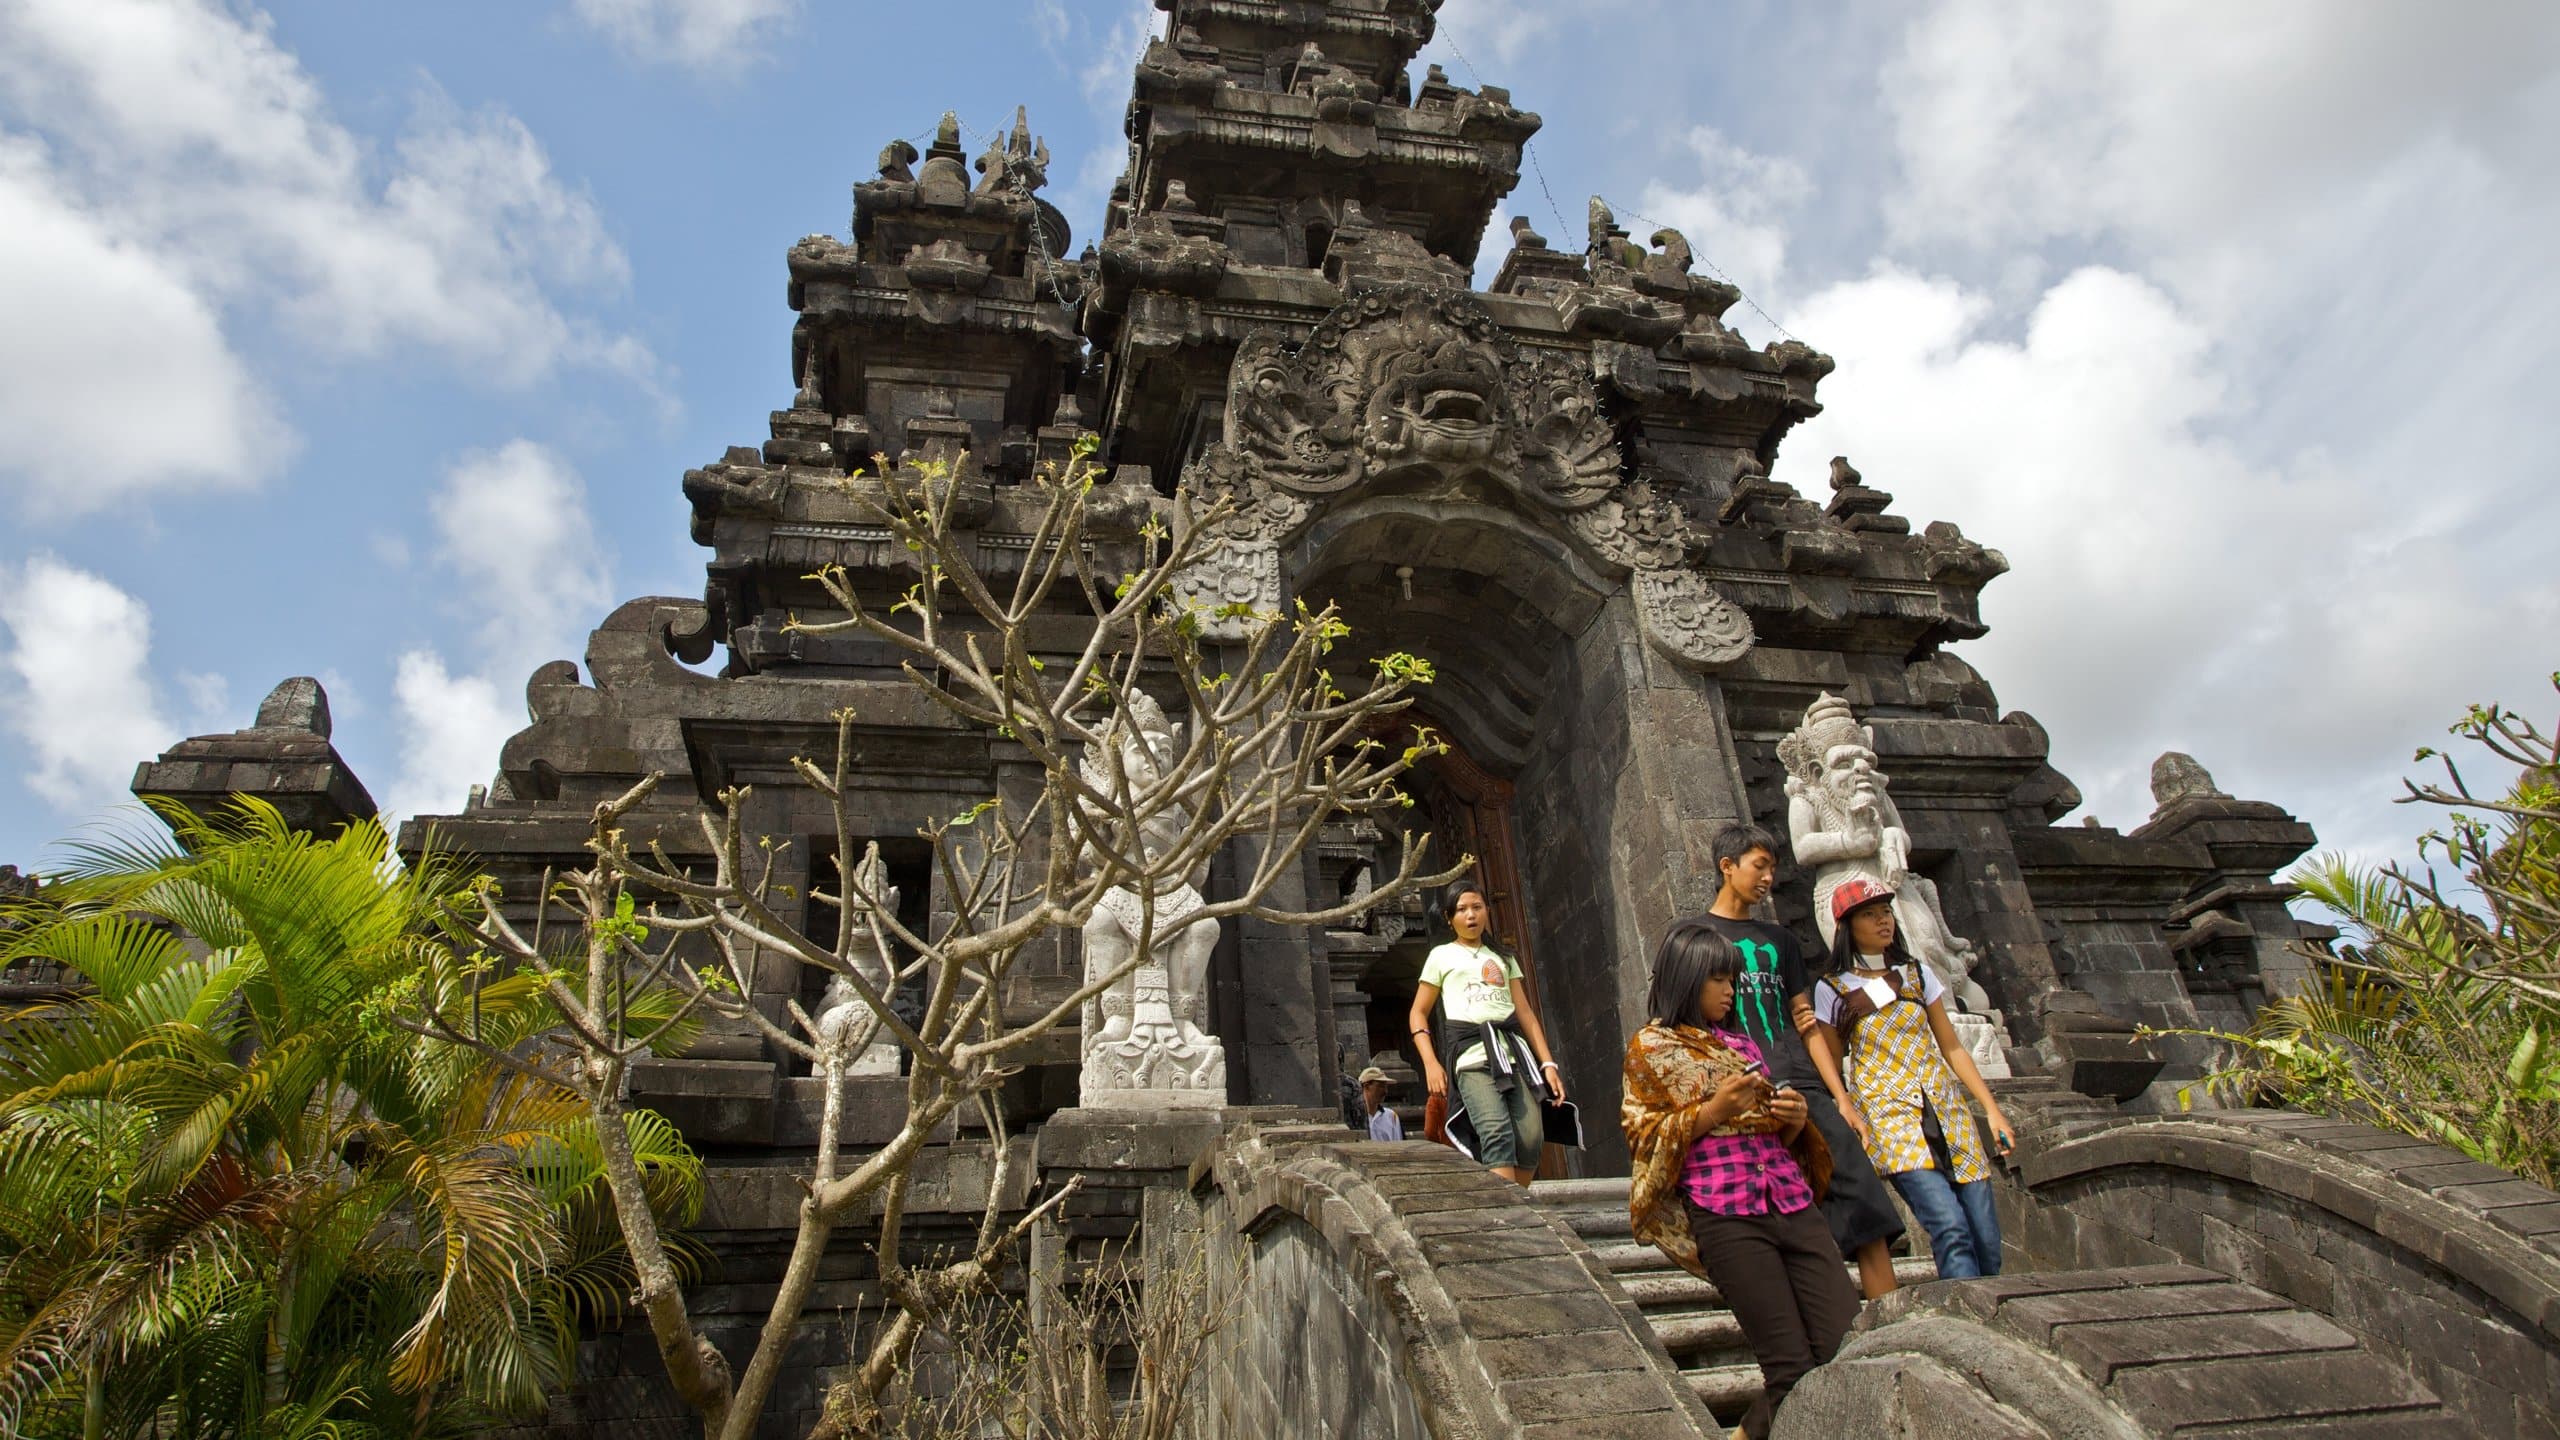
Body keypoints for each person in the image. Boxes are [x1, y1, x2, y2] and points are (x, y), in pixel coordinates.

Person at [1623, 921, 1858, 1440]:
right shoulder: (1651, 1047)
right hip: (1724, 1210)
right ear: (1687, 978)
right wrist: (1711, 1111)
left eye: (1733, 979)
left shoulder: (1743, 1046)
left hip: (1790, 1200)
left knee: (1847, 1343)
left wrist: (1794, 1121)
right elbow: (1642, 1134)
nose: (1732, 991)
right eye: (1720, 980)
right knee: (1789, 1367)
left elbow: (1775, 1126)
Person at [1690, 823, 1908, 1299]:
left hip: (1801, 1081)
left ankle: (1892, 1313)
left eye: (1773, 867)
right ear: (1727, 868)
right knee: (1780, 1215)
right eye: (1759, 865)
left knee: (1859, 1194)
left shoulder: (1780, 940)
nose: (1769, 877)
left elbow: (1804, 1022)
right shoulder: (1694, 937)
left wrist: (1841, 1098)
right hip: (1740, 1090)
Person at [1808, 877, 2016, 1280]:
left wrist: (1991, 1111)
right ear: (1847, 926)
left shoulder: (1917, 975)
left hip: (1946, 1108)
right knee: (1949, 1226)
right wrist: (1845, 1106)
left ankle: (1992, 1305)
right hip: (1890, 1118)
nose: (1883, 921)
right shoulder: (1832, 990)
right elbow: (1832, 1063)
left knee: (1986, 1237)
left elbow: (1952, 1047)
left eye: (1885, 912)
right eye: (1870, 915)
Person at [1410, 884, 1565, 1186]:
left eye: (1477, 907)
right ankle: (1511, 1213)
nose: (1471, 915)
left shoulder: (1503, 956)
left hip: (1513, 1056)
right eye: (1462, 910)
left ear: (1487, 911)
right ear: (1449, 917)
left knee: (1531, 1136)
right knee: (1495, 1132)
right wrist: (1430, 1062)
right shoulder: (1441, 956)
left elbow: (1525, 1013)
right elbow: (1418, 1011)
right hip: (1471, 1060)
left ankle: (1516, 1203)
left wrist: (1548, 1064)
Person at [1357, 1066, 1404, 1141]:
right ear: (1366, 1086)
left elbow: (1399, 1145)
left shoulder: (1391, 1116)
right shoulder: (1356, 1117)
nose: (1385, 1091)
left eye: (1386, 1086)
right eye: (1380, 1086)